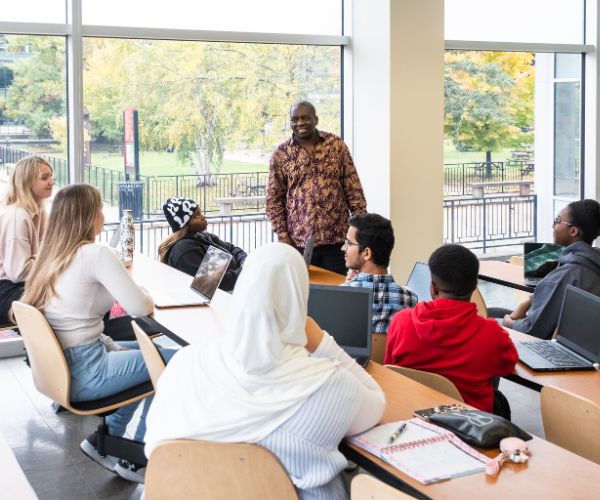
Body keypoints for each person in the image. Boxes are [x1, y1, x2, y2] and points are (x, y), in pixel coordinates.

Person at [144, 243, 385, 499]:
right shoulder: (328, 385)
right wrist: (324, 343)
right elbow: (376, 403)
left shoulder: (184, 363)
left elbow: (154, 451)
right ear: (299, 297)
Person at [20, 184, 176, 484]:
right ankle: (138, 456)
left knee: (148, 355)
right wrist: (138, 288)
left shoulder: (51, 256)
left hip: (65, 368)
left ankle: (107, 438)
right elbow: (140, 307)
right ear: (89, 215)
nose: (104, 217)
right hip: (89, 371)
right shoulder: (95, 254)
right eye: (101, 210)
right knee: (175, 361)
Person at [385, 244, 518, 413]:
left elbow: (390, 369)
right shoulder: (491, 334)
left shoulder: (400, 322)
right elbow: (507, 365)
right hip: (470, 428)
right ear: (473, 287)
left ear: (433, 287)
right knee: (500, 401)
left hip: (413, 418)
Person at [266, 100, 367, 275]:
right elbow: (273, 199)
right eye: (294, 119)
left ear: (316, 119)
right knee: (304, 295)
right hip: (299, 243)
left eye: (305, 118)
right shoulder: (281, 153)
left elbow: (353, 188)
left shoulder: (336, 145)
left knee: (339, 291)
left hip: (338, 241)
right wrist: (283, 235)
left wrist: (360, 230)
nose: (300, 123)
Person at [504, 199, 600, 339]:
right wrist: (528, 301)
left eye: (557, 221)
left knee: (491, 316)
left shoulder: (565, 275)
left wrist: (508, 322)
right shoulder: (592, 262)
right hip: (586, 341)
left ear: (573, 231)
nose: (553, 226)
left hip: (543, 342)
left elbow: (532, 330)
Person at [342, 213, 417, 333]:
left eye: (349, 244)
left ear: (366, 253)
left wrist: (347, 286)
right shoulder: (410, 299)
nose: (343, 248)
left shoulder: (341, 296)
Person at [0, 156, 54, 325]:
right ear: (26, 183)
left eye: (51, 176)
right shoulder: (17, 216)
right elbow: (19, 272)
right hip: (7, 291)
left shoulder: (39, 212)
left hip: (20, 287)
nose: (51, 182)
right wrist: (50, 256)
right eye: (44, 178)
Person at [158, 197, 247, 292]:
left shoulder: (203, 237)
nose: (202, 216)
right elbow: (218, 283)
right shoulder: (184, 250)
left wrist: (245, 261)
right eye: (197, 215)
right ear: (185, 224)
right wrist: (245, 270)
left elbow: (232, 249)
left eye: (200, 212)